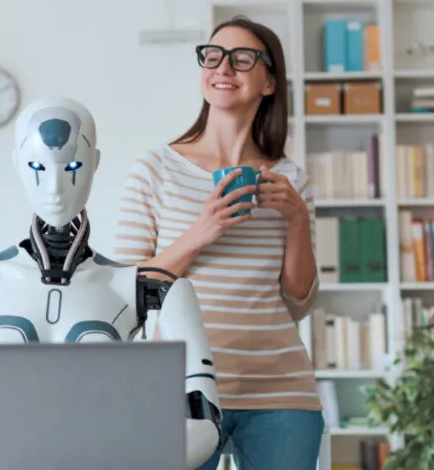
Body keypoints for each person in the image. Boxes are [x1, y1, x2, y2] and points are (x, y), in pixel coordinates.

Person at [0, 96, 221, 470]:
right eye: (38, 166)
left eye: (72, 165)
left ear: (95, 163)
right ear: (17, 165)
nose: (55, 187)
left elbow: (206, 422)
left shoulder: (149, 289)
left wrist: (129, 455)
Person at [114, 16, 323, 470]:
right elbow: (127, 293)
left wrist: (297, 219)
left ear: (269, 81)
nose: (223, 67)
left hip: (280, 391)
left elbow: (299, 302)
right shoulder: (155, 169)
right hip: (179, 388)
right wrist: (201, 231)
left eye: (242, 58)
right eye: (213, 56)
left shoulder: (292, 182)